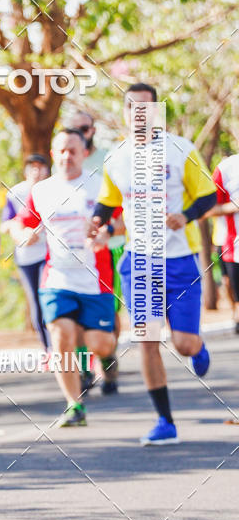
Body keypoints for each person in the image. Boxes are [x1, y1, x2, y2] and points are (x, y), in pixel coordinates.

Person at [88, 83, 216, 445]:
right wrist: (96, 224)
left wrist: (185, 216)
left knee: (185, 344)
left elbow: (208, 197)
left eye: (146, 108)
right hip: (138, 261)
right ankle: (165, 422)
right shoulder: (117, 157)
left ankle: (197, 347)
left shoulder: (181, 150)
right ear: (126, 113)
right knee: (146, 340)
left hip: (179, 260)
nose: (139, 114)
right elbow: (107, 204)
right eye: (132, 108)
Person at [13, 129, 117, 427]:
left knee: (101, 343)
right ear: (54, 154)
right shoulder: (42, 190)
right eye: (61, 150)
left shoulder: (101, 187)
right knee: (61, 338)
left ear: (85, 153)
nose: (66, 156)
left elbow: (121, 224)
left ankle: (103, 356)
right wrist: (25, 236)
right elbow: (22, 226)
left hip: (95, 278)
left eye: (73, 150)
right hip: (56, 278)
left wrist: (106, 232)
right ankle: (75, 405)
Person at [68, 109, 123, 394]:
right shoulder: (64, 160)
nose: (79, 133)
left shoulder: (107, 160)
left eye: (84, 128)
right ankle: (85, 370)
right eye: (74, 128)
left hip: (109, 248)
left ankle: (108, 359)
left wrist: (109, 231)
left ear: (92, 131)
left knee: (108, 314)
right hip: (74, 253)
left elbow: (119, 200)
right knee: (74, 313)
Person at [1, 154, 51, 349]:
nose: (37, 172)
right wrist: (22, 231)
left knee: (50, 297)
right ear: (26, 171)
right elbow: (5, 224)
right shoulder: (15, 193)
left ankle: (61, 349)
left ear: (47, 170)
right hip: (26, 255)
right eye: (33, 167)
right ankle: (47, 349)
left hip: (49, 254)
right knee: (36, 301)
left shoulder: (54, 190)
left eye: (41, 167)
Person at [207, 154, 239, 333]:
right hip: (230, 244)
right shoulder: (226, 168)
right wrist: (234, 207)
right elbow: (208, 209)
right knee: (228, 282)